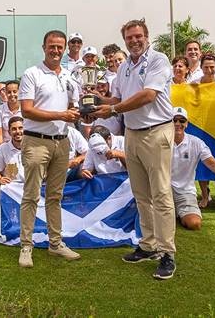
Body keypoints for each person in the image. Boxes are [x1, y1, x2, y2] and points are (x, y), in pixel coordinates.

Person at [92, 19, 177, 280]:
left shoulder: (158, 60)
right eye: (129, 38)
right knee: (141, 193)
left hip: (157, 131)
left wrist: (113, 109)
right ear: (125, 41)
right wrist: (95, 101)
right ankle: (149, 244)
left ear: (146, 36)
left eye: (138, 36)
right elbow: (117, 99)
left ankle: (167, 253)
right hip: (132, 133)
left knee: (161, 193)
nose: (134, 41)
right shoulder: (125, 66)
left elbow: (148, 95)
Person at [18, 29, 81, 268]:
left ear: (65, 49)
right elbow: (27, 110)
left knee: (55, 196)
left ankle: (55, 243)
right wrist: (62, 114)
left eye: (60, 47)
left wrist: (79, 111)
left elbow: (73, 107)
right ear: (44, 47)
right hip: (36, 141)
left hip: (62, 142)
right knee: (31, 195)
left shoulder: (68, 75)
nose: (56, 50)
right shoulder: (32, 74)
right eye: (52, 46)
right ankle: (26, 245)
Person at [169, 107, 215, 230]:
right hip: (162, 191)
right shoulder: (159, 141)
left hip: (185, 192)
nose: (177, 124)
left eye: (181, 121)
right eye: (174, 120)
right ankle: (173, 213)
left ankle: (176, 213)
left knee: (194, 224)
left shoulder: (196, 143)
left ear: (187, 124)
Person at [189, 54, 215, 209]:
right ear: (201, 67)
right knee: (201, 163)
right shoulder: (194, 84)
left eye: (212, 67)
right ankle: (205, 197)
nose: (209, 70)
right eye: (206, 67)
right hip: (199, 129)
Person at [0, 116, 25, 185]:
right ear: (9, 132)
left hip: (33, 186)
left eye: (20, 128)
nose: (18, 131)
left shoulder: (34, 147)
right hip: (11, 187)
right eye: (14, 129)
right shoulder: (1, 149)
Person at [0, 80, 21, 146]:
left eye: (15, 91)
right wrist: (2, 151)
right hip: (6, 146)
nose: (12, 94)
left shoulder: (25, 108)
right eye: (9, 92)